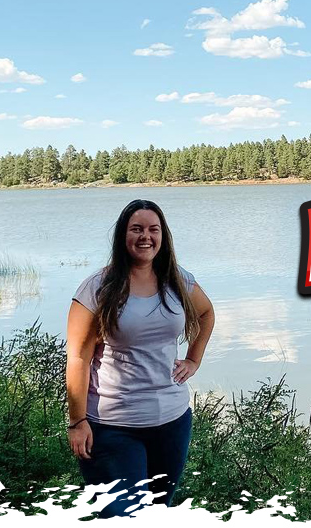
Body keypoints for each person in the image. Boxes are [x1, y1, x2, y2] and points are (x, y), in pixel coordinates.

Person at [65, 199, 215, 518]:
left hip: (172, 423)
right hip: (112, 426)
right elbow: (78, 357)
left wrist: (193, 359)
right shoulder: (98, 288)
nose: (145, 236)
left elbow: (206, 313)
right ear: (123, 236)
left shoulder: (178, 280)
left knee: (157, 513)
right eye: (136, 229)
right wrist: (77, 421)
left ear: (163, 236)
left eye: (153, 229)